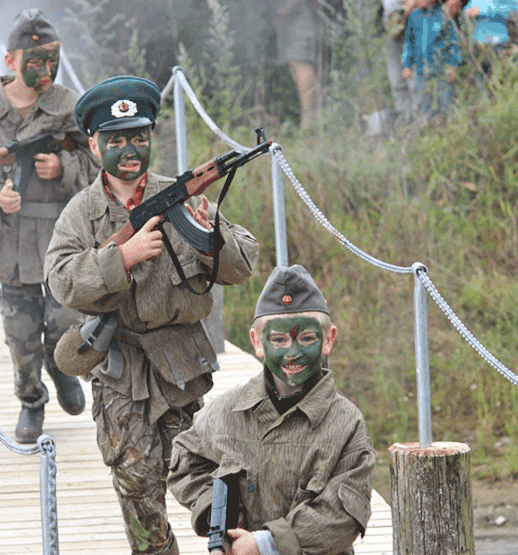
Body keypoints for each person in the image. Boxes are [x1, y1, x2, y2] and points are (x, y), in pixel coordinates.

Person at [44, 75, 259, 555]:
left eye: (139, 137)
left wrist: (212, 232)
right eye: (116, 140)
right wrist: (120, 258)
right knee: (137, 482)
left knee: (205, 477)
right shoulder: (81, 213)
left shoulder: (180, 195)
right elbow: (60, 279)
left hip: (182, 363)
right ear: (95, 146)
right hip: (120, 367)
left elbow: (244, 262)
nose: (129, 150)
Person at [0, 8, 100, 444]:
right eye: (33, 61)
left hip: (63, 240)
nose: (44, 70)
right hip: (11, 242)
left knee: (63, 326)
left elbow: (99, 166)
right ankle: (31, 401)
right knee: (20, 339)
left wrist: (65, 167)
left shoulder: (70, 106)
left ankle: (61, 370)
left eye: (51, 60)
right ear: (10, 61)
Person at [167, 265, 375, 555]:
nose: (292, 352)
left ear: (328, 339)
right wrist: (219, 514)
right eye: (278, 340)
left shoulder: (346, 424)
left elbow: (342, 516)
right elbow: (185, 461)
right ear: (257, 342)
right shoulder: (228, 412)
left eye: (306, 339)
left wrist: (265, 543)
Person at [275, 0, 341, 129]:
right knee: (296, 65)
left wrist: (285, 9)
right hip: (291, 22)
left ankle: (310, 123)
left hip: (300, 21)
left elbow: (320, 4)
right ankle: (314, 122)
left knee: (301, 66)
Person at [401, 0, 463, 123]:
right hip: (422, 71)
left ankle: (448, 129)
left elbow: (453, 42)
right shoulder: (414, 16)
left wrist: (453, 65)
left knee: (446, 104)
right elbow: (409, 43)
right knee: (424, 107)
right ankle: (427, 133)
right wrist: (406, 65)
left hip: (442, 69)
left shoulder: (444, 14)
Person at [383, 0, 417, 119]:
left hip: (415, 21)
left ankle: (422, 123)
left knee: (415, 79)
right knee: (397, 83)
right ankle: (406, 124)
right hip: (389, 26)